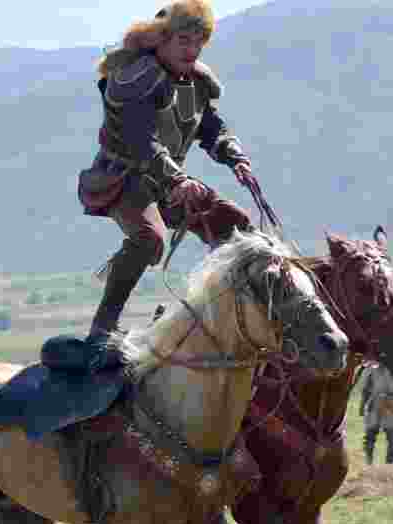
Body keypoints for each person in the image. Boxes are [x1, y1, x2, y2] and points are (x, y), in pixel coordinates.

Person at [73, 0, 258, 374]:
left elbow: (211, 130)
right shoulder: (136, 78)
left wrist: (234, 156)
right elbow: (142, 141)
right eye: (184, 42)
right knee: (149, 239)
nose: (192, 51)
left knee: (238, 231)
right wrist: (177, 179)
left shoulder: (196, 81)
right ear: (162, 41)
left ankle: (233, 324)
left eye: (198, 44)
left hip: (170, 182)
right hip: (125, 179)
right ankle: (101, 331)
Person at [359, 363, 393, 464]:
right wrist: (362, 405)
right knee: (369, 438)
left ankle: (389, 466)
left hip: (390, 409)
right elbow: (366, 390)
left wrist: (391, 398)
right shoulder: (372, 371)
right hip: (374, 408)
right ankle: (368, 463)